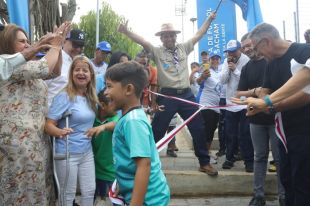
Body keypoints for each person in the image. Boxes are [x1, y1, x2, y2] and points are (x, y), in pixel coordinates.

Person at [118, 12, 218, 176]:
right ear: (161, 38)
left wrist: (209, 19)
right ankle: (145, 163)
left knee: (198, 127)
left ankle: (204, 163)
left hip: (186, 95)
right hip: (168, 96)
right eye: (165, 36)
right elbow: (142, 41)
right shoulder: (157, 51)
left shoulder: (184, 47)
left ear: (175, 36)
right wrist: (126, 31)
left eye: (171, 35)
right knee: (157, 129)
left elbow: (200, 34)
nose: (169, 38)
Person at [233, 23, 310, 206]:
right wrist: (258, 103)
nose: (257, 54)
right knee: (287, 178)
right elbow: (265, 91)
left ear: (266, 41)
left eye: (256, 48)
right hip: (284, 133)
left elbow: (306, 91)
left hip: (305, 131)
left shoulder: (303, 51)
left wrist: (269, 103)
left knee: (303, 183)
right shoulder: (271, 64)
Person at [0, 22, 70, 205]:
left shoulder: (26, 65)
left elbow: (55, 71)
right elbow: (45, 67)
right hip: (17, 143)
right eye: (22, 41)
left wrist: (58, 46)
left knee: (38, 190)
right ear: (7, 42)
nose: (27, 44)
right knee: (21, 192)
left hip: (36, 141)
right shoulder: (7, 63)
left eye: (28, 41)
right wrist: (54, 44)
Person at [104, 61, 170, 205]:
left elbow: (143, 165)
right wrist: (123, 184)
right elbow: (130, 162)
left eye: (109, 86)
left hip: (149, 200)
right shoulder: (130, 118)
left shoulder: (133, 122)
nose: (105, 92)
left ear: (128, 89)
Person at [237, 35, 285, 206]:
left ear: (257, 43)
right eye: (244, 47)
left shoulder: (272, 61)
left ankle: (284, 195)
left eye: (249, 45)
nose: (247, 49)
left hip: (276, 117)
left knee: (280, 158)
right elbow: (239, 93)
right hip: (255, 120)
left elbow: (282, 87)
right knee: (259, 157)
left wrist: (262, 96)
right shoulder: (246, 68)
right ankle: (258, 195)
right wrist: (256, 91)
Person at [45, 55, 97, 205]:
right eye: (77, 70)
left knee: (89, 191)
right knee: (68, 194)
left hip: (86, 152)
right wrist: (59, 132)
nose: (81, 73)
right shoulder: (64, 96)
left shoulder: (90, 97)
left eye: (85, 70)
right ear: (71, 73)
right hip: (67, 152)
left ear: (91, 75)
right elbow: (48, 125)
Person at [220, 39, 254, 172]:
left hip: (244, 103)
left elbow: (248, 80)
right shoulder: (226, 61)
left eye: (234, 51)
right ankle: (229, 158)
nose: (231, 54)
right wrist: (228, 69)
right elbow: (222, 80)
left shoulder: (246, 60)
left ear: (240, 50)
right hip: (230, 102)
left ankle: (249, 161)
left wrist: (235, 70)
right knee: (230, 133)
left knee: (245, 133)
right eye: (229, 52)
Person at [90, 89, 119, 205]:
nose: (117, 108)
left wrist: (103, 127)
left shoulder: (115, 118)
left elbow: (116, 124)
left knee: (117, 201)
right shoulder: (92, 120)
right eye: (113, 104)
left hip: (112, 173)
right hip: (94, 171)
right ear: (102, 105)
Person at [45, 29, 86, 106]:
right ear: (64, 42)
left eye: (81, 46)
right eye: (75, 45)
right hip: (52, 113)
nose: (78, 49)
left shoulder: (80, 63)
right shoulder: (54, 59)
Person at [196, 51, 222, 163]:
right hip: (206, 105)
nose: (215, 61)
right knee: (207, 130)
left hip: (217, 106)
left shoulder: (221, 71)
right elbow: (198, 81)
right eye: (213, 59)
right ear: (209, 60)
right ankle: (205, 155)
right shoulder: (206, 70)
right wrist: (202, 76)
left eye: (217, 59)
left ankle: (207, 152)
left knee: (211, 130)